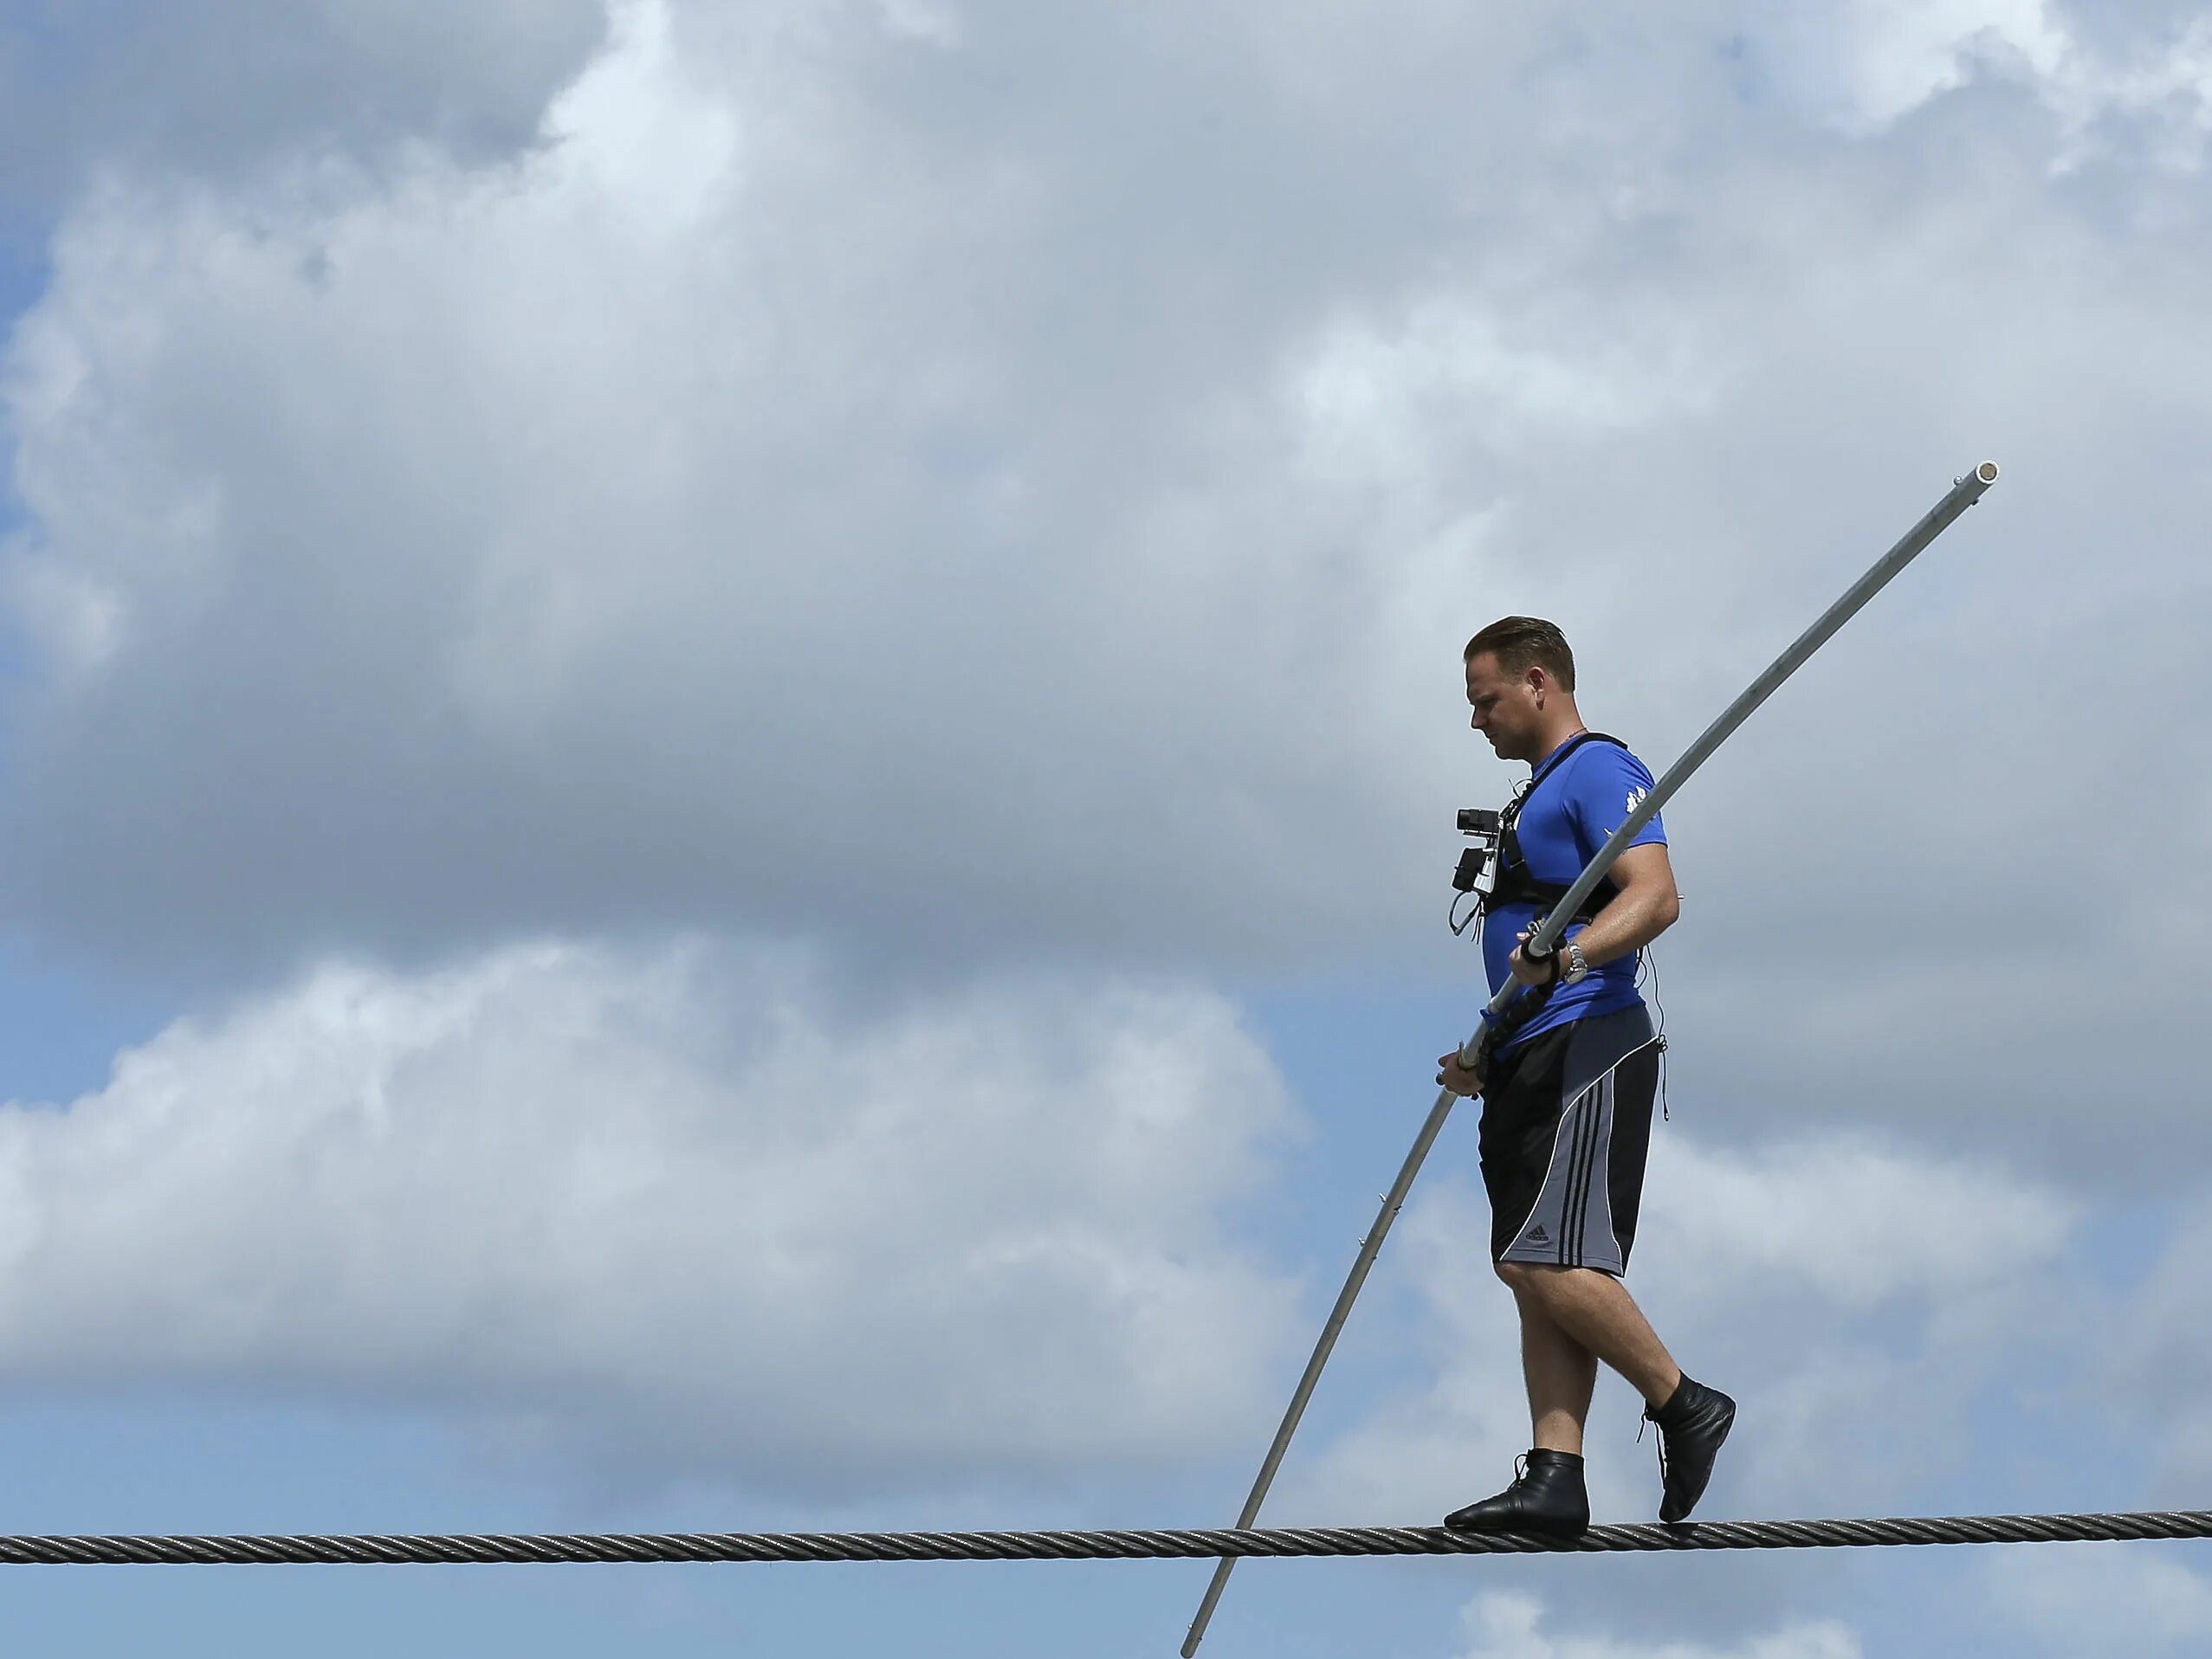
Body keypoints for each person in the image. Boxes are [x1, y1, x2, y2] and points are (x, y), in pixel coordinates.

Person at [1434, 616, 1733, 1538]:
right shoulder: (1538, 794)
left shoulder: (1598, 769)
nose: (1476, 719)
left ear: (1536, 681)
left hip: (1589, 1039)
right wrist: (1487, 1044)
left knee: (1541, 1256)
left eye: (1485, 699)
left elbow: (1654, 895)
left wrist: (1564, 961)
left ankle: (1683, 1401)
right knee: (1537, 1266)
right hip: (1532, 1045)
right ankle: (1555, 1469)